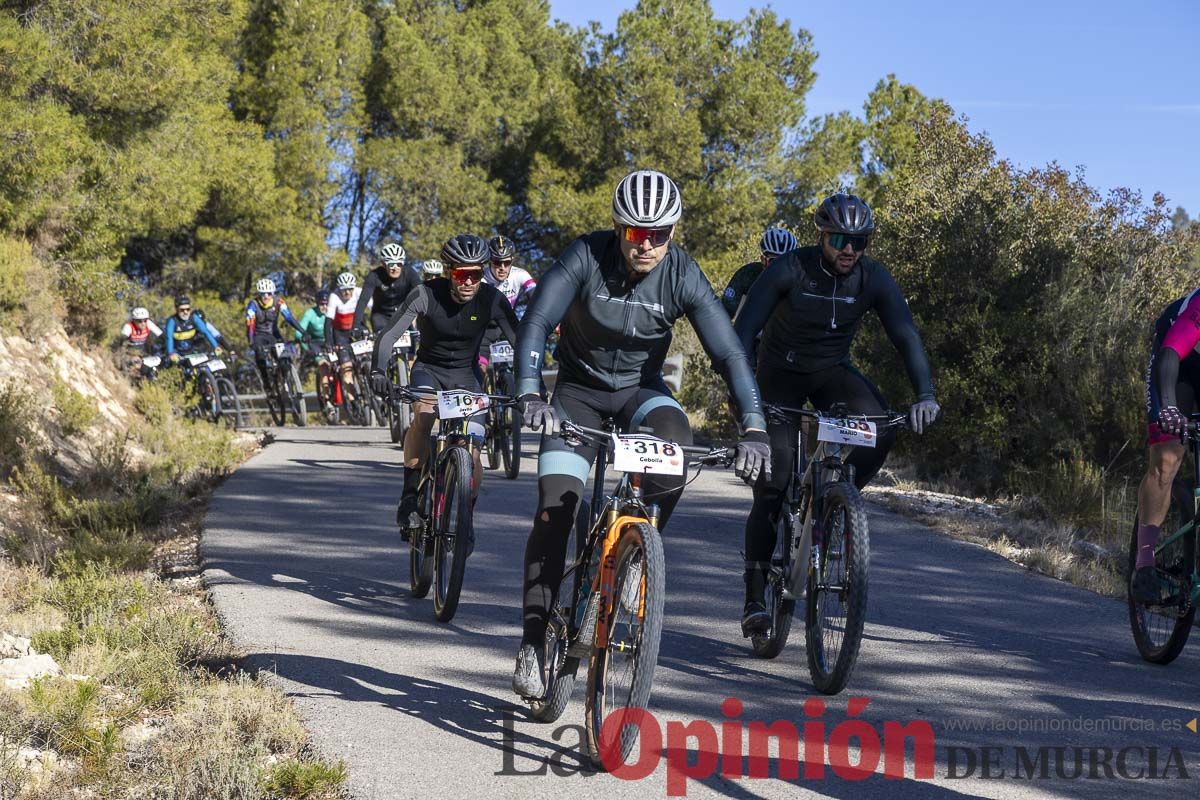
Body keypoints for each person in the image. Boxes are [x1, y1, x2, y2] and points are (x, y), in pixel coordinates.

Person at [509, 169, 771, 698]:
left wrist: (755, 426)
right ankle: (534, 644)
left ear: (673, 233)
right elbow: (536, 322)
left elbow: (730, 353)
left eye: (658, 234)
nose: (646, 245)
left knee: (675, 439)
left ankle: (636, 549)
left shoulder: (681, 274)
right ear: (617, 227)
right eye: (634, 233)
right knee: (555, 511)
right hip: (576, 393)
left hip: (639, 393)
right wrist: (532, 394)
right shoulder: (586, 255)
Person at [732, 193, 940, 635]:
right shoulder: (791, 269)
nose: (849, 249)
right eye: (840, 239)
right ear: (822, 236)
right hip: (779, 374)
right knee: (773, 482)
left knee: (880, 429)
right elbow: (743, 332)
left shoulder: (872, 278)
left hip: (831, 373)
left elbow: (905, 335)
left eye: (859, 241)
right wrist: (746, 392)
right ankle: (754, 596)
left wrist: (925, 394)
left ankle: (832, 505)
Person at [369, 234, 519, 540]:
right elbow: (388, 334)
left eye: (475, 275)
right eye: (461, 274)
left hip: (467, 376)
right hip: (429, 371)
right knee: (423, 415)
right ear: (448, 271)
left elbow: (521, 339)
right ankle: (409, 496)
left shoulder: (491, 298)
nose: (468, 282)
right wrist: (378, 370)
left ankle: (466, 515)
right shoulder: (425, 293)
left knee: (473, 451)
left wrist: (530, 385)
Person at [1133, 289, 1200, 603]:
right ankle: (1144, 562)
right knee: (1168, 458)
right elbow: (1172, 352)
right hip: (1178, 361)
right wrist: (1170, 408)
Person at [721, 227, 798, 317]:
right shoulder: (747, 274)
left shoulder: (802, 277)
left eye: (785, 261)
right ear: (763, 260)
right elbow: (725, 312)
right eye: (773, 261)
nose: (780, 267)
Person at [246, 278, 302, 390]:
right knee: (260, 356)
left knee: (283, 357)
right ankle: (266, 381)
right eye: (262, 294)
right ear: (259, 294)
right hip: (258, 335)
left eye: (269, 293)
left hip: (273, 333)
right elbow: (250, 325)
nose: (266, 296)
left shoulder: (278, 302)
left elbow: (289, 317)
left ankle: (285, 377)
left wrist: (302, 331)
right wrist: (251, 340)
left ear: (273, 293)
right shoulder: (253, 305)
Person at [354, 241, 420, 334]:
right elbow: (362, 301)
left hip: (402, 314)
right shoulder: (374, 276)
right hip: (381, 316)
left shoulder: (409, 273)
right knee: (385, 339)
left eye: (399, 264)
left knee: (409, 345)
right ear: (383, 264)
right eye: (391, 264)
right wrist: (356, 325)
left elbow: (421, 295)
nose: (395, 268)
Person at [325, 272, 365, 402]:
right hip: (340, 334)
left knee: (369, 358)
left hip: (357, 329)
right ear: (339, 289)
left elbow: (376, 307)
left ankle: (370, 384)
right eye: (344, 290)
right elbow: (328, 322)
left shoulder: (359, 292)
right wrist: (329, 342)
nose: (347, 292)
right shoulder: (334, 297)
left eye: (350, 289)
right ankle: (353, 401)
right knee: (346, 368)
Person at [295, 289, 333, 413]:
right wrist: (306, 347)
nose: (324, 307)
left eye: (327, 304)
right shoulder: (310, 313)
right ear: (317, 304)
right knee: (324, 366)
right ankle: (326, 399)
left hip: (330, 340)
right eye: (322, 304)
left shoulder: (333, 311)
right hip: (315, 343)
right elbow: (299, 332)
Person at [163, 295, 221, 364]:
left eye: (188, 309)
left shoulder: (194, 318)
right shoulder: (172, 321)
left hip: (191, 351)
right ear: (176, 309)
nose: (185, 312)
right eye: (182, 310)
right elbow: (169, 338)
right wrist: (171, 353)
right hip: (177, 353)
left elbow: (206, 332)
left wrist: (216, 346)